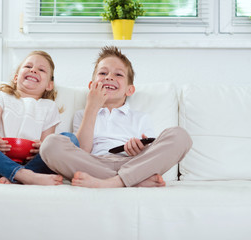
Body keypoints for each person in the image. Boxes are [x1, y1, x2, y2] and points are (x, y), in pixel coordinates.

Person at [39, 46, 193, 188]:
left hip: (132, 163)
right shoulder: (83, 114)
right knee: (50, 144)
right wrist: (92, 107)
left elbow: (150, 156)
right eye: (103, 73)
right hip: (93, 164)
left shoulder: (141, 117)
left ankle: (114, 182)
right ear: (91, 86)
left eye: (118, 74)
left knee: (180, 135)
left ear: (129, 90)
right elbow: (83, 150)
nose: (109, 77)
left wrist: (139, 150)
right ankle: (133, 181)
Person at [0, 50, 78, 185]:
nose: (33, 70)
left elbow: (48, 142)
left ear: (49, 85)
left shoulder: (49, 106)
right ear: (16, 77)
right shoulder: (1, 95)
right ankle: (21, 175)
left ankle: (18, 176)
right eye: (28, 67)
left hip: (33, 166)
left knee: (70, 139)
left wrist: (41, 147)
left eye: (41, 69)